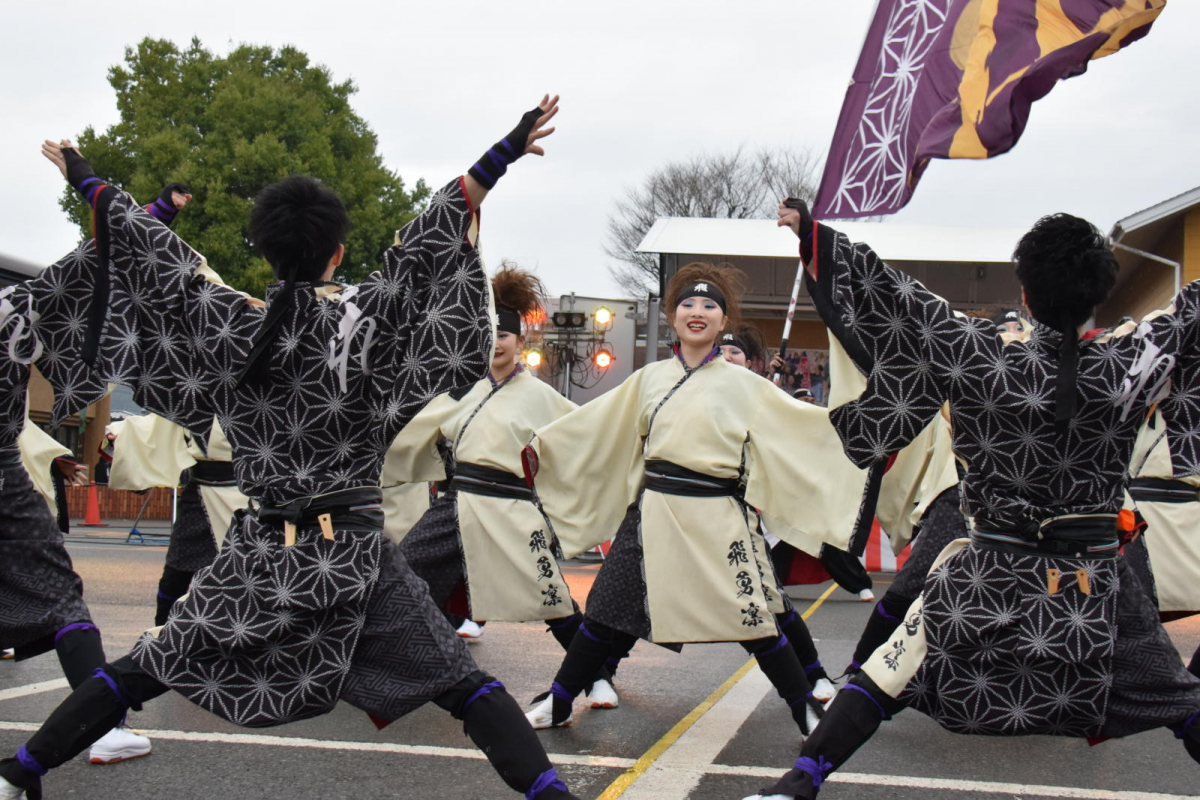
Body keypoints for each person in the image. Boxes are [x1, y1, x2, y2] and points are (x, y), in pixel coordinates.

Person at [1, 98, 585, 800]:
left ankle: (22, 771)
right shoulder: (359, 323)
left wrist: (87, 177)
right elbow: (425, 245)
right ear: (336, 251)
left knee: (147, 665)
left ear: (265, 250)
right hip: (355, 556)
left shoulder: (225, 324)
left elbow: (151, 253)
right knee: (462, 686)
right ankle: (553, 796)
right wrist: (503, 153)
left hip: (258, 554)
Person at [742, 204, 1200, 799]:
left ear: (1026, 296)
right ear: (1099, 295)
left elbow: (897, 295)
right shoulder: (1131, 362)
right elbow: (1188, 314)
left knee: (889, 673)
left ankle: (797, 783)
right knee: (1175, 695)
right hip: (1092, 582)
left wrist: (815, 237)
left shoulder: (980, 354)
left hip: (987, 575)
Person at [522, 262, 871, 734]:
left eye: (710, 305)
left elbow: (803, 429)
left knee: (754, 620)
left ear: (724, 322)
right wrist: (542, 448)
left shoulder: (746, 384)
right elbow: (597, 425)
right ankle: (561, 699)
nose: (699, 312)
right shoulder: (649, 380)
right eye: (688, 303)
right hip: (653, 510)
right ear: (673, 316)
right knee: (604, 613)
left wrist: (863, 427)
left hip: (718, 512)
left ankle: (804, 707)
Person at [0, 185, 190, 776]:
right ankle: (106, 728)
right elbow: (93, 261)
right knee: (61, 598)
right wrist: (154, 212)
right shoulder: (11, 308)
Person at [393, 263, 623, 706]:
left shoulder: (542, 397)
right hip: (456, 504)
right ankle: (427, 665)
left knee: (553, 601)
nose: (495, 344)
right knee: (405, 574)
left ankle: (597, 675)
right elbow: (412, 431)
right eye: (487, 334)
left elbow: (586, 441)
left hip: (513, 508)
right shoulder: (460, 390)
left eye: (503, 335)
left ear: (521, 341)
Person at [105, 414, 247, 626]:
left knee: (246, 575)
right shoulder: (196, 391)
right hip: (199, 496)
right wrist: (123, 435)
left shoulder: (264, 392)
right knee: (175, 577)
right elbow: (161, 423)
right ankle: (163, 633)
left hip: (250, 495)